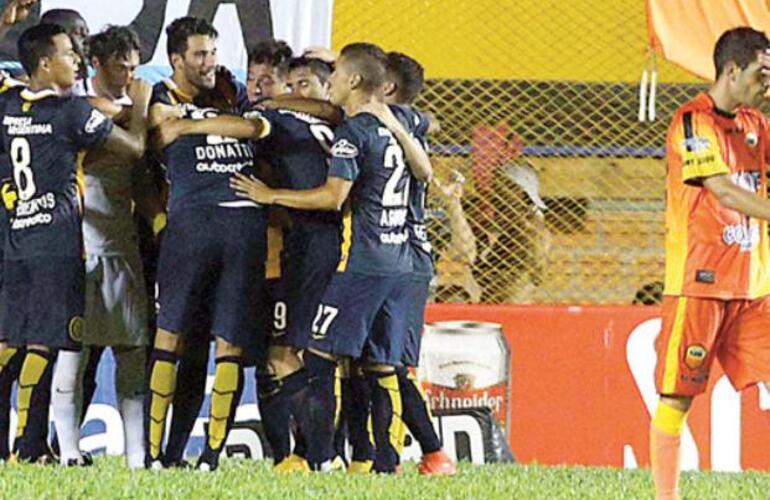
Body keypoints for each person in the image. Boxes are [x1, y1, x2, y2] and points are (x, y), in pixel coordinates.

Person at [231, 42, 432, 473]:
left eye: (337, 74)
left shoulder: (354, 133)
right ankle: (383, 461)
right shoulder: (408, 120)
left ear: (355, 81)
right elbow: (426, 171)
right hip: (402, 261)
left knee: (321, 356)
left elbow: (333, 196)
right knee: (379, 363)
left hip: (358, 261)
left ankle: (319, 457)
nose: (332, 83)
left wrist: (271, 195)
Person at [0, 22, 150, 465]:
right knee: (47, 346)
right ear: (45, 63)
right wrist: (138, 104)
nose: (77, 62)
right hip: (59, 245)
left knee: (9, 343)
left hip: (13, 243)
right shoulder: (69, 113)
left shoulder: (6, 102)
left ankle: (28, 448)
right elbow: (134, 147)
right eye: (69, 54)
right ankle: (26, 448)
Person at [650, 27, 770, 500]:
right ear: (732, 70)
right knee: (677, 399)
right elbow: (721, 189)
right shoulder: (690, 122)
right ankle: (667, 496)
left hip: (754, 286)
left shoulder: (757, 125)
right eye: (762, 74)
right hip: (699, 285)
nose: (767, 83)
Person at [144, 16, 267, 472]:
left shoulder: (231, 90)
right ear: (176, 60)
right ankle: (155, 454)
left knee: (229, 341)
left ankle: (211, 456)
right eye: (199, 54)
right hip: (189, 229)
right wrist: (213, 122)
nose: (210, 62)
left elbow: (254, 128)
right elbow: (157, 132)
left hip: (244, 229)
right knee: (171, 334)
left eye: (213, 52)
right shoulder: (159, 96)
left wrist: (196, 122)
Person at [76, 25, 160, 470]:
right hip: (84, 243)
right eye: (119, 66)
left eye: (133, 67)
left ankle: (136, 457)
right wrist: (147, 106)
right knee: (80, 353)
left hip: (123, 243)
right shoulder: (81, 106)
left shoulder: (126, 107)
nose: (128, 75)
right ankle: (61, 446)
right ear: (96, 65)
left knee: (132, 346)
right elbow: (131, 138)